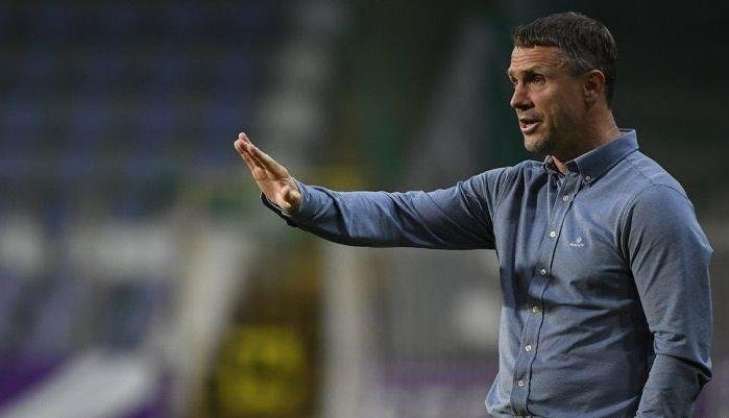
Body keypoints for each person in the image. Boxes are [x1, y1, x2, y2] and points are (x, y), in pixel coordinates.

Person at [233, 11, 712, 418]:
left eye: (536, 79)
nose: (517, 98)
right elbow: (402, 213)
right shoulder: (510, 190)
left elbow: (681, 353)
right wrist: (303, 200)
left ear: (591, 87)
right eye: (514, 81)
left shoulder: (651, 202)